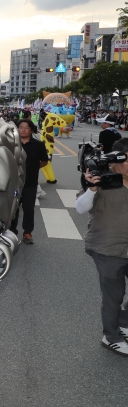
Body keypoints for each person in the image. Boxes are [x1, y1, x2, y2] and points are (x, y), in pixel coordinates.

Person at [76, 138, 128, 356]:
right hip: (108, 247)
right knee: (113, 295)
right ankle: (111, 336)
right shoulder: (102, 181)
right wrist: (92, 188)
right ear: (116, 160)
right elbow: (81, 207)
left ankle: (123, 322)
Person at [11, 119, 49, 245]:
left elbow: (44, 161)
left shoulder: (38, 145)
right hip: (14, 182)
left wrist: (31, 168)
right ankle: (11, 232)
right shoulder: (11, 144)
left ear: (31, 130)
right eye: (20, 127)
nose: (23, 129)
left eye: (26, 127)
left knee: (28, 209)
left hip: (30, 182)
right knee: (13, 208)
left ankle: (27, 233)